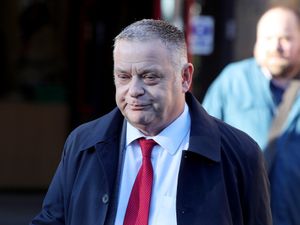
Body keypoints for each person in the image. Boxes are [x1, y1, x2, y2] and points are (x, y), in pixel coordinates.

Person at [30, 19, 272, 225]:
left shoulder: (239, 153)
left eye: (149, 77)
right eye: (123, 77)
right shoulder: (83, 144)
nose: (134, 90)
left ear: (185, 78)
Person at [202, 5, 300, 225]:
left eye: (286, 38)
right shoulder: (231, 82)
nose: (277, 46)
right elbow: (201, 145)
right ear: (256, 43)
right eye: (268, 38)